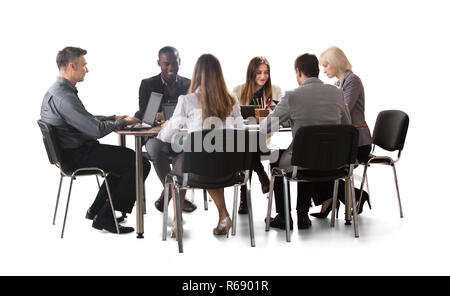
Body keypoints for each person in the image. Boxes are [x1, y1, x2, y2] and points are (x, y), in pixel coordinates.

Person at [40, 46, 151, 234]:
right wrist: (123, 122)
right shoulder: (64, 97)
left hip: (72, 153)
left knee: (125, 162)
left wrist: (113, 118)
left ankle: (96, 210)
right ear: (71, 66)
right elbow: (95, 130)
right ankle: (106, 217)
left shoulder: (58, 91)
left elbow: (85, 119)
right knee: (140, 163)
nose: (87, 69)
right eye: (84, 65)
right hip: (78, 156)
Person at [260, 53, 351, 230]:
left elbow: (266, 127)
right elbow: (346, 125)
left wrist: (289, 118)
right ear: (317, 71)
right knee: (306, 154)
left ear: (298, 71)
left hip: (303, 162)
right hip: (334, 162)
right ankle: (303, 216)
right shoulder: (337, 93)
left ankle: (284, 216)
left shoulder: (292, 96)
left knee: (280, 157)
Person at [157, 53, 244, 238]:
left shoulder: (187, 100)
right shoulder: (232, 100)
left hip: (197, 170)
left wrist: (166, 126)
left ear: (196, 75)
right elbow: (241, 132)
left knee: (180, 166)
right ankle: (223, 215)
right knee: (211, 159)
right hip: (229, 170)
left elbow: (166, 137)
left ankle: (177, 222)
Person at [310, 46, 372, 218]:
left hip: (359, 142)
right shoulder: (338, 84)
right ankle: (334, 198)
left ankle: (346, 197)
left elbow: (343, 110)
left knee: (319, 160)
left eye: (326, 66)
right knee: (311, 158)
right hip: (345, 140)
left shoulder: (353, 81)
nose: (323, 71)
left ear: (336, 63)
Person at [136, 46, 197, 213]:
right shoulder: (147, 84)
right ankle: (178, 195)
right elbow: (143, 114)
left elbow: (194, 113)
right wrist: (161, 116)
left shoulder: (189, 84)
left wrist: (173, 116)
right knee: (155, 149)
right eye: (166, 64)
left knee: (185, 152)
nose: (171, 68)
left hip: (181, 135)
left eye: (174, 64)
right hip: (156, 136)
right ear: (159, 63)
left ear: (180, 62)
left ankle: (169, 194)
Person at [232, 57, 283, 214]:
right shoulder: (238, 91)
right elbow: (232, 118)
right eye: (259, 72)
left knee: (248, 147)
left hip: (265, 139)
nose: (263, 76)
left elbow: (278, 118)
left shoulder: (275, 90)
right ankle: (261, 174)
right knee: (246, 144)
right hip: (243, 138)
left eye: (266, 72)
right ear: (251, 73)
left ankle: (245, 199)